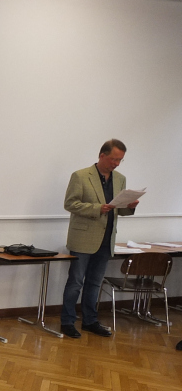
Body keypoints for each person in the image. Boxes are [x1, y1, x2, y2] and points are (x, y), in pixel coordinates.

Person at [60, 139, 139, 338]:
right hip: (83, 238)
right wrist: (97, 208)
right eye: (114, 159)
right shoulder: (80, 176)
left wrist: (130, 207)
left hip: (107, 239)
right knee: (75, 282)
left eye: (120, 160)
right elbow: (70, 204)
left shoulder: (120, 179)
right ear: (102, 155)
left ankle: (90, 321)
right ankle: (67, 322)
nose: (117, 164)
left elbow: (119, 209)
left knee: (95, 283)